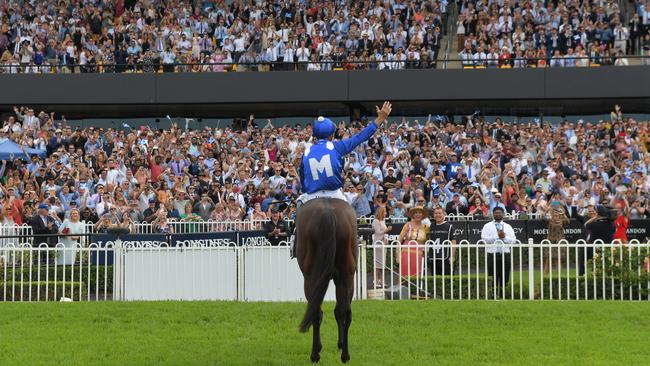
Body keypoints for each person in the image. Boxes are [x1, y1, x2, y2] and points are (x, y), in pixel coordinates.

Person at [297, 101, 392, 206]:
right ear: (331, 135)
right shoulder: (336, 147)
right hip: (335, 194)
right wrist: (380, 119)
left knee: (299, 206)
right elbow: (360, 137)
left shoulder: (306, 152)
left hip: (312, 196)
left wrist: (305, 192)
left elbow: (303, 178)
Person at [480, 206, 516, 296]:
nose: (498, 214)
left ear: (503, 214)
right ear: (493, 214)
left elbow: (513, 241)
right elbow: (484, 240)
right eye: (496, 213)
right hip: (492, 254)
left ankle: (504, 294)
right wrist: (497, 236)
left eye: (500, 212)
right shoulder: (487, 226)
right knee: (493, 276)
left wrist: (504, 237)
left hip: (505, 254)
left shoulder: (508, 226)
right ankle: (493, 294)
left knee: (505, 275)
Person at [580, 205, 616, 275]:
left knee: (584, 255)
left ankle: (582, 273)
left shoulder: (594, 224)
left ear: (598, 213)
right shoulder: (612, 225)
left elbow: (585, 224)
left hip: (595, 249)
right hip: (607, 249)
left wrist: (595, 217)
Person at [397, 205, 429, 278]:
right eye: (416, 213)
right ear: (413, 215)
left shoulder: (426, 227)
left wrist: (425, 252)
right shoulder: (408, 225)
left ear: (423, 215)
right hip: (406, 253)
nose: (418, 214)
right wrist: (398, 255)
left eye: (420, 213)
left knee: (417, 275)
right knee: (404, 274)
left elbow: (427, 241)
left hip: (419, 255)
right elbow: (399, 240)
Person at [427, 207, 458, 276]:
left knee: (447, 279)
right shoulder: (431, 226)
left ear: (444, 214)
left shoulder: (449, 226)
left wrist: (452, 256)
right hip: (434, 257)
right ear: (433, 215)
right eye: (436, 213)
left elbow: (453, 242)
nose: (438, 215)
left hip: (445, 258)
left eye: (440, 213)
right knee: (435, 280)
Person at [544, 203, 569, 275]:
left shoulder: (562, 221)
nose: (556, 214)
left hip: (559, 241)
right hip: (550, 241)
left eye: (557, 212)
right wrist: (546, 210)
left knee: (558, 259)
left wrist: (563, 214)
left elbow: (568, 222)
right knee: (548, 259)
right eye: (554, 212)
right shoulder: (549, 220)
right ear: (552, 213)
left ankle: (559, 275)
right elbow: (542, 218)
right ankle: (545, 275)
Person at [371, 205, 392, 287]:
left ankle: (381, 280)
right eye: (384, 212)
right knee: (377, 264)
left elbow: (384, 233)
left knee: (382, 265)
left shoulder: (383, 221)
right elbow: (378, 233)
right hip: (377, 245)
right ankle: (376, 280)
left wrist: (386, 237)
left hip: (383, 245)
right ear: (380, 212)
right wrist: (387, 230)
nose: (386, 213)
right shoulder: (375, 221)